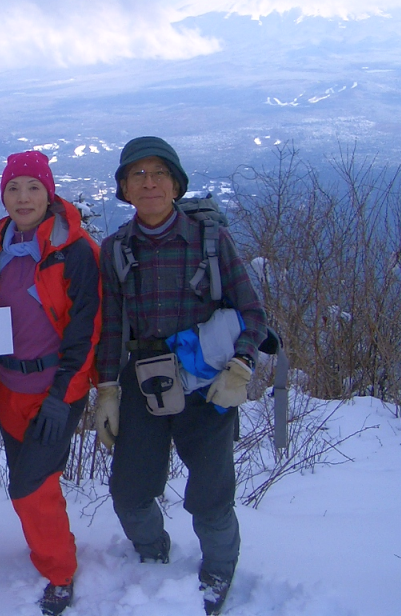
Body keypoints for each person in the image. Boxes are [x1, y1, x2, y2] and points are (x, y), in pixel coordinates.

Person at [92, 137, 267, 615]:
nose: (149, 184)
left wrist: (242, 365)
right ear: (124, 189)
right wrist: (106, 389)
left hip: (209, 384)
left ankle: (218, 571)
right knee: (129, 491)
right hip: (143, 382)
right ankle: (152, 553)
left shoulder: (211, 240)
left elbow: (253, 311)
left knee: (211, 494)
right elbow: (110, 325)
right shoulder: (115, 250)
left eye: (159, 174)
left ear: (176, 184)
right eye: (138, 176)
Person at [0, 151, 101, 616]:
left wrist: (63, 397)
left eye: (32, 187)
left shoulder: (76, 250)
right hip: (9, 387)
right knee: (30, 483)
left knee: (30, 486)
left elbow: (87, 328)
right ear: (3, 195)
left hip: (55, 391)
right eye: (13, 188)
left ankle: (60, 572)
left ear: (49, 193)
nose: (22, 197)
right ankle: (51, 549)